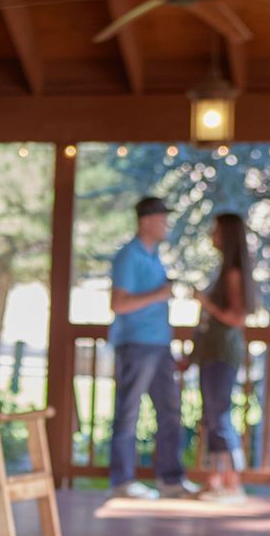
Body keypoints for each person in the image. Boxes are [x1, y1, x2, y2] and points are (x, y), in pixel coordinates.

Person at [108, 196, 198, 500]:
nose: (166, 224)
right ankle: (122, 481)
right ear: (146, 220)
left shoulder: (154, 256)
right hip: (135, 344)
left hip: (159, 345)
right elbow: (119, 303)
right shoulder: (129, 257)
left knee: (171, 412)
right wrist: (159, 294)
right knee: (129, 412)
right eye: (162, 218)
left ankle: (170, 480)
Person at [190, 211, 252, 503]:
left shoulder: (234, 273)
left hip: (223, 352)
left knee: (220, 415)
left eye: (215, 231)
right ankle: (216, 478)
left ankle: (233, 480)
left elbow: (236, 317)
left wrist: (206, 303)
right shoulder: (223, 269)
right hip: (209, 351)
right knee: (211, 416)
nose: (211, 236)